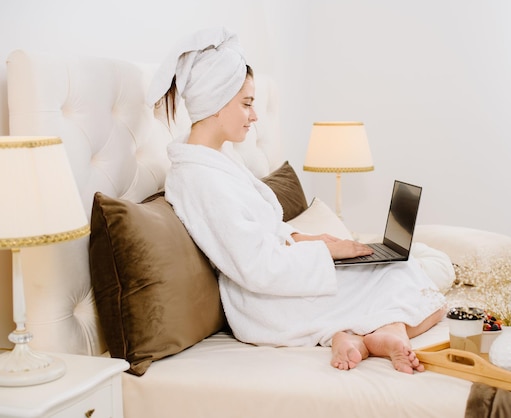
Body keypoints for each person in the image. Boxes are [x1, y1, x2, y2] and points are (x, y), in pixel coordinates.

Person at [147, 27, 446, 374]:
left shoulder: (219, 159)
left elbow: (263, 233)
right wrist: (325, 253)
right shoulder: (198, 178)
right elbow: (255, 266)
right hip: (265, 302)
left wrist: (309, 239)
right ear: (216, 104)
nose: (255, 115)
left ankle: (354, 335)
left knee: (399, 268)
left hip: (283, 279)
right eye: (246, 104)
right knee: (418, 288)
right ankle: (378, 334)